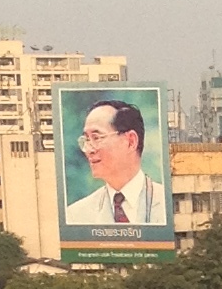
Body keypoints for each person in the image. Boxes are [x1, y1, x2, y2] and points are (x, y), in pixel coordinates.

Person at [62, 97, 165, 232]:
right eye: (86, 140)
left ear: (131, 142)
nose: (88, 150)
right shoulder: (76, 216)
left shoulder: (165, 203)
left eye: (96, 138)